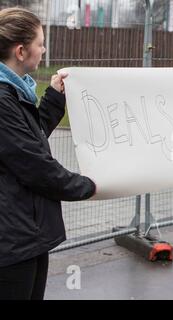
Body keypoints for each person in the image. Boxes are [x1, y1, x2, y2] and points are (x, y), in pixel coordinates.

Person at [0, 7, 96, 300]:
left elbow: (29, 138)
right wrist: (88, 186)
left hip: (26, 231)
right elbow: (34, 165)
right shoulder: (3, 100)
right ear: (20, 50)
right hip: (11, 238)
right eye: (40, 43)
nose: (44, 49)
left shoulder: (16, 93)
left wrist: (53, 96)